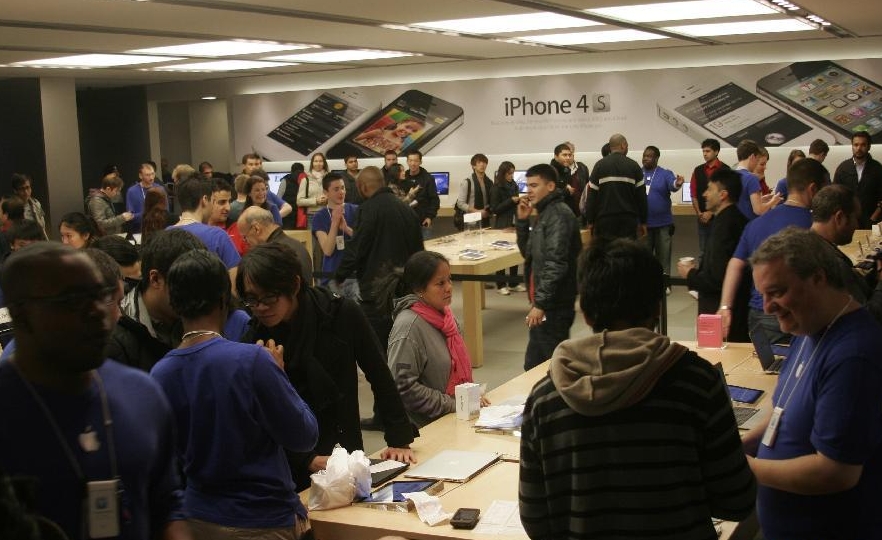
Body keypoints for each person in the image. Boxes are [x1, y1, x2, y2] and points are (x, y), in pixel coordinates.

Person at [519, 238, 756, 540]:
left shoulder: (545, 397)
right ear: (658, 308)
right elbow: (737, 500)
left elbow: (535, 520)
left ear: (587, 313)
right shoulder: (697, 382)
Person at [0, 243, 187, 540]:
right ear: (21, 314)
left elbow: (166, 503)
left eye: (100, 296)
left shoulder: (143, 393)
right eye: (72, 301)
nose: (97, 312)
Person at [150, 250, 318, 540]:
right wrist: (280, 375)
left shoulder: (160, 374)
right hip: (262, 519)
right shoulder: (253, 361)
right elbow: (303, 436)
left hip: (196, 518)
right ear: (223, 298)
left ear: (175, 303)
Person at [237, 242, 415, 490]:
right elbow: (255, 416)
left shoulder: (340, 313)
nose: (261, 308)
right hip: (290, 464)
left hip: (344, 450)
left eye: (269, 297)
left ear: (295, 285)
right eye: (252, 300)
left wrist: (398, 438)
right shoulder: (254, 339)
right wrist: (305, 459)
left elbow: (378, 372)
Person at [743, 227, 882, 539]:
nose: (767, 307)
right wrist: (742, 445)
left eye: (777, 292)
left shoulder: (853, 356)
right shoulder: (809, 327)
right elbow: (785, 410)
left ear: (818, 278)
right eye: (762, 295)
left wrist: (747, 468)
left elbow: (836, 473)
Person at [717, 158, 828, 343]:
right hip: (802, 312)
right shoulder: (815, 226)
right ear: (813, 189)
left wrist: (725, 307)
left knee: (766, 369)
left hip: (761, 313)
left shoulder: (755, 224)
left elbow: (735, 264)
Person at [381, 251, 489, 428]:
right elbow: (403, 388)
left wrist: (469, 397)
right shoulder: (408, 326)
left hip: (455, 418)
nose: (449, 287)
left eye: (450, 279)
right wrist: (454, 404)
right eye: (440, 283)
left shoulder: (446, 316)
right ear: (419, 289)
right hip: (426, 428)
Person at [335, 166, 424, 351]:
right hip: (406, 293)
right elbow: (419, 253)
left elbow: (358, 247)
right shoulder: (406, 210)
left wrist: (340, 275)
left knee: (378, 350)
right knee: (404, 345)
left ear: (362, 187)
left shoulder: (367, 209)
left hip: (376, 292)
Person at [516, 163, 581, 371]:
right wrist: (522, 222)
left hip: (554, 305)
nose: (529, 191)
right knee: (534, 366)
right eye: (528, 185)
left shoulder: (558, 215)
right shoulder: (545, 214)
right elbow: (530, 255)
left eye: (534, 185)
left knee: (552, 368)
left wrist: (541, 304)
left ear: (551, 186)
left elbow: (556, 263)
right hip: (545, 303)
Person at [678, 169, 750, 341]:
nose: (704, 194)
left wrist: (690, 274)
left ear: (723, 194)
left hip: (719, 312)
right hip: (736, 308)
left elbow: (717, 279)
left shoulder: (724, 227)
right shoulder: (735, 219)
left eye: (710, 189)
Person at [170, 175, 241, 280]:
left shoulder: (165, 235)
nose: (228, 207)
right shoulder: (218, 236)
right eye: (213, 201)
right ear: (204, 200)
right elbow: (235, 284)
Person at [585, 133, 647, 240]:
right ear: (623, 145)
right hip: (628, 221)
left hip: (604, 221)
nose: (627, 148)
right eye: (627, 145)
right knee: (627, 253)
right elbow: (641, 198)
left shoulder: (599, 165)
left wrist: (590, 221)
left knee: (606, 253)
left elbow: (591, 197)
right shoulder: (634, 166)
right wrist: (643, 222)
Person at [237, 206, 314, 286]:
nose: (245, 242)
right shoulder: (298, 245)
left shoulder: (269, 256)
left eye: (245, 237)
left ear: (256, 229)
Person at [642, 145, 684, 284]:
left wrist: (677, 183)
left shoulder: (665, 173)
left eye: (649, 156)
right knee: (645, 257)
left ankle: (665, 284)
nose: (646, 158)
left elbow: (672, 185)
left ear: (656, 158)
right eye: (644, 155)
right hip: (644, 224)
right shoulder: (637, 173)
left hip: (663, 224)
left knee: (663, 257)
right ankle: (648, 284)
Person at [311, 172, 358, 297]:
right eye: (336, 189)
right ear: (326, 192)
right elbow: (327, 250)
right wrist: (334, 223)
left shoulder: (356, 210)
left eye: (342, 188)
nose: (341, 192)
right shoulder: (319, 216)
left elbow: (363, 241)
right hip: (332, 276)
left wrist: (347, 229)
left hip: (355, 275)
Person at [689, 138, 730, 261]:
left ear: (716, 152)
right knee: (703, 252)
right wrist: (700, 213)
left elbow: (727, 195)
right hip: (702, 219)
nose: (705, 154)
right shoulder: (698, 170)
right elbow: (694, 193)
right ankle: (703, 279)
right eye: (703, 151)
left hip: (720, 217)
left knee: (720, 250)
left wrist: (711, 213)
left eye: (708, 151)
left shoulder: (725, 169)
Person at [833, 130, 882, 228]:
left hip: (871, 222)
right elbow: (835, 196)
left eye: (863, 145)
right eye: (856, 145)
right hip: (847, 222)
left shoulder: (878, 169)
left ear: (869, 147)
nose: (859, 148)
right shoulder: (843, 168)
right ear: (852, 146)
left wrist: (873, 218)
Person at [490, 160, 524, 295]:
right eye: (509, 173)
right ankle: (501, 285)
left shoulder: (514, 184)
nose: (511, 176)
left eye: (513, 173)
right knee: (502, 255)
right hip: (502, 224)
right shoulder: (496, 187)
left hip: (514, 221)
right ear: (503, 173)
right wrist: (511, 201)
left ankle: (514, 282)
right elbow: (495, 209)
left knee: (513, 254)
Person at [733, 140, 780, 220]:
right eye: (757, 159)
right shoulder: (751, 178)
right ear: (752, 157)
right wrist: (773, 201)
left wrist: (761, 199)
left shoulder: (730, 175)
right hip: (748, 225)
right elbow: (759, 210)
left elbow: (743, 201)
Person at [403, 150, 440, 239]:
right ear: (407, 161)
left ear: (420, 162)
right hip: (405, 221)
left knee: (424, 249)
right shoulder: (403, 177)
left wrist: (429, 217)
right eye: (410, 160)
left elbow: (435, 200)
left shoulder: (428, 178)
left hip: (423, 221)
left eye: (416, 161)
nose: (413, 163)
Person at [455, 153, 493, 228]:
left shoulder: (489, 182)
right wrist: (477, 211)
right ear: (473, 166)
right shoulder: (467, 182)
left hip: (486, 219)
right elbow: (460, 203)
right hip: (471, 220)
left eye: (484, 162)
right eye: (479, 162)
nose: (482, 165)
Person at [126, 162, 167, 232]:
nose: (151, 177)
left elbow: (166, 211)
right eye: (147, 175)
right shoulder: (132, 191)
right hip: (139, 229)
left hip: (158, 228)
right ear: (140, 176)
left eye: (153, 174)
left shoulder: (160, 189)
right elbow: (130, 216)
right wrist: (149, 215)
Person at [296, 152, 330, 229]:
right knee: (313, 240)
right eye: (316, 161)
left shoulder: (330, 178)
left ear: (324, 163)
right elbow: (299, 201)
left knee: (328, 240)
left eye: (320, 161)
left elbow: (337, 196)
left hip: (328, 213)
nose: (318, 163)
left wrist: (328, 199)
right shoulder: (306, 180)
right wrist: (316, 201)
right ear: (312, 163)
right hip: (312, 216)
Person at [354, 118, 424, 154]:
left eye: (413, 131)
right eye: (407, 127)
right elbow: (355, 139)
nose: (408, 131)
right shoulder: (379, 132)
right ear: (399, 123)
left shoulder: (400, 144)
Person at [11, 173, 48, 240]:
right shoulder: (11, 207)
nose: (26, 192)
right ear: (15, 191)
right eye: (22, 189)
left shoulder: (36, 204)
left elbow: (42, 226)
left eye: (27, 187)